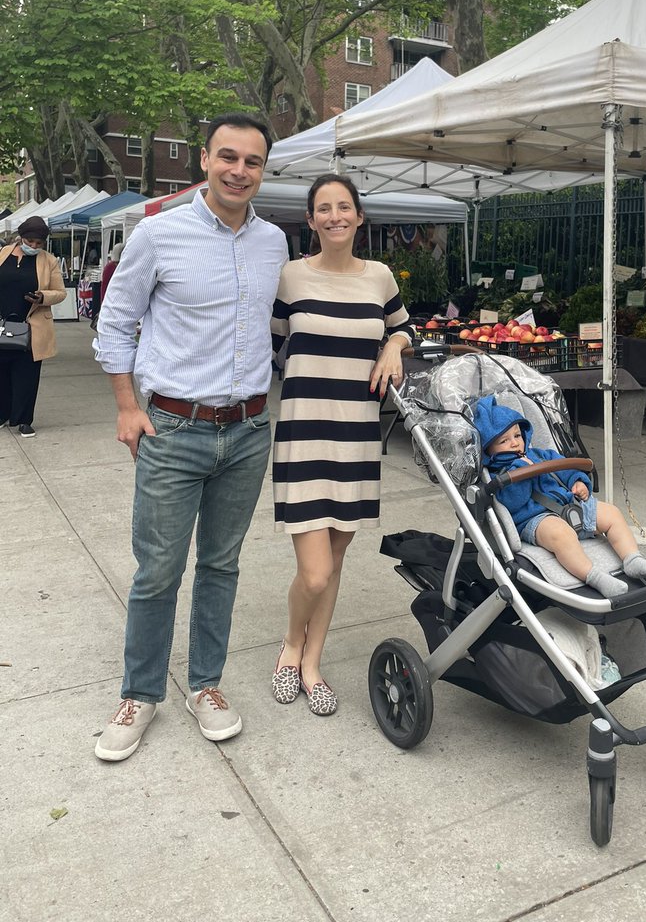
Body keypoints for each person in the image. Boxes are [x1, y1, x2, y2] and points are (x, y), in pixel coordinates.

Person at [93, 112, 288, 762]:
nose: (239, 170)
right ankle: (140, 693)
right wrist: (127, 406)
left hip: (249, 430)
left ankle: (205, 684)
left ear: (263, 170)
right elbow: (115, 321)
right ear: (204, 159)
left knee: (221, 565)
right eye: (227, 156)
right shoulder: (158, 233)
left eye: (252, 161)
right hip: (174, 429)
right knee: (158, 571)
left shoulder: (274, 243)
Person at [270, 174, 413, 715]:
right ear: (311, 220)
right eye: (324, 209)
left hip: (356, 437)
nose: (335, 216)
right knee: (315, 571)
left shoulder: (379, 276)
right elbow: (269, 346)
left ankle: (312, 663)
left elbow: (404, 326)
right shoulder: (290, 277)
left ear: (358, 216)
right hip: (303, 434)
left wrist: (394, 344)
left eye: (344, 207)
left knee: (334, 560)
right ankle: (290, 646)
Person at [474, 396, 646, 598]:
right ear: (488, 448)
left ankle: (632, 559)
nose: (514, 443)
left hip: (570, 504)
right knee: (561, 535)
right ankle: (594, 577)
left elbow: (565, 468)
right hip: (536, 519)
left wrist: (578, 481)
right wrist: (520, 469)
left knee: (611, 513)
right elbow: (512, 502)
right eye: (504, 440)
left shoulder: (540, 455)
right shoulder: (499, 474)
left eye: (517, 435)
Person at [0, 216, 66, 438]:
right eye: (30, 242)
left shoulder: (49, 261)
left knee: (27, 375)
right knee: (2, 374)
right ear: (21, 238)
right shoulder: (3, 253)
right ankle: (3, 414)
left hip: (31, 328)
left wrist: (43, 297)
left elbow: (60, 292)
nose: (34, 246)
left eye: (39, 243)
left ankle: (24, 420)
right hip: (2, 324)